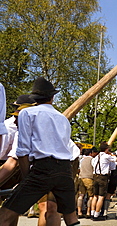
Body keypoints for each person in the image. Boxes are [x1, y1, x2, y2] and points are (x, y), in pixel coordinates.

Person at [0, 77, 80, 226]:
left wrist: (26, 178)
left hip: (42, 168)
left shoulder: (28, 113)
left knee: (5, 213)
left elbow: (22, 151)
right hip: (65, 169)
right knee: (71, 218)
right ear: (52, 97)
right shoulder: (62, 118)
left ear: (34, 98)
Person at [91, 141, 117, 221]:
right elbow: (116, 159)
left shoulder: (95, 157)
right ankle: (97, 215)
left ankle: (92, 213)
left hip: (95, 176)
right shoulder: (106, 156)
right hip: (103, 177)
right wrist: (111, 154)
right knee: (101, 197)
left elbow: (92, 164)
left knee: (95, 196)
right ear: (106, 149)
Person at [77, 147, 99, 218]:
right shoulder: (92, 160)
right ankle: (88, 212)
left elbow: (79, 169)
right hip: (90, 178)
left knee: (81, 196)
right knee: (91, 196)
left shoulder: (81, 160)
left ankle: (79, 212)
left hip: (81, 178)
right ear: (90, 153)